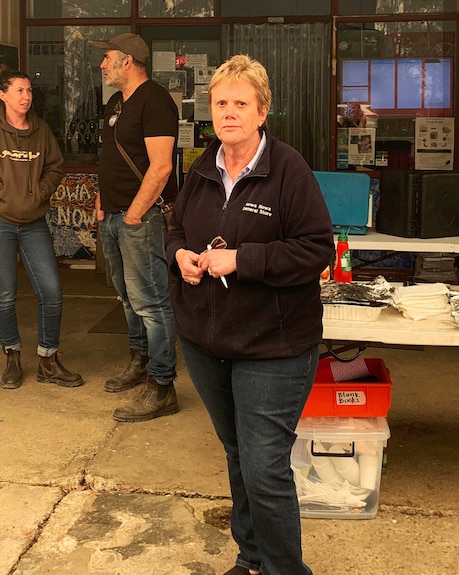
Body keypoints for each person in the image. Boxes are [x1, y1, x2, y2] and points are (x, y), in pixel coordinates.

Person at [165, 55, 334, 575]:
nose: (229, 113)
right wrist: (181, 258)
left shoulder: (288, 170)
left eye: (242, 103)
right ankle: (251, 556)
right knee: (239, 456)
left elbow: (316, 250)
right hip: (206, 341)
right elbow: (174, 230)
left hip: (273, 345)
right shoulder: (199, 166)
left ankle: (285, 569)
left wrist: (242, 259)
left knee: (264, 468)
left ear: (263, 111)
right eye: (221, 103)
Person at [0, 67, 83, 390]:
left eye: (29, 90)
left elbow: (55, 167)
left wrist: (40, 192)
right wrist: (5, 193)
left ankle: (48, 359)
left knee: (51, 291)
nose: (26, 96)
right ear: (2, 95)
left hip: (34, 224)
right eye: (19, 90)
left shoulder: (42, 131)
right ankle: (12, 356)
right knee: (4, 296)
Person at [90, 33, 179, 422]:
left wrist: (133, 214)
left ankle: (162, 386)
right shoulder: (115, 102)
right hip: (112, 215)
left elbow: (161, 167)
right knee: (127, 297)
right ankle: (139, 361)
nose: (102, 65)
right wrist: (100, 203)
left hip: (137, 218)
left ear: (127, 61)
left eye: (107, 58)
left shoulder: (156, 101)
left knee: (152, 302)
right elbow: (110, 156)